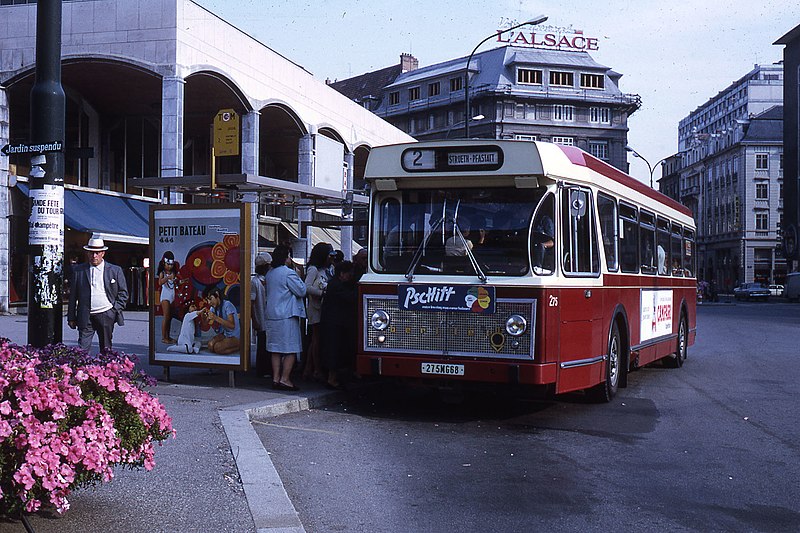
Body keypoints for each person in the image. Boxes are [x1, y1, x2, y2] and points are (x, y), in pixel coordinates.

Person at [67, 236, 129, 352]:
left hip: (106, 313)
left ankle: (107, 369)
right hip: (85, 315)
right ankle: (82, 369)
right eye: (91, 253)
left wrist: (114, 309)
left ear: (103, 253)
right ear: (87, 253)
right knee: (82, 350)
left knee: (106, 348)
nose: (94, 256)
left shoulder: (115, 270)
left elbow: (123, 293)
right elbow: (73, 296)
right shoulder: (79, 271)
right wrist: (71, 317)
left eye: (97, 253)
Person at [264, 245, 307, 391]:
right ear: (285, 257)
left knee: (275, 349)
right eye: (289, 256)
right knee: (290, 349)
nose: (290, 259)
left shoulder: (270, 273)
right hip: (286, 315)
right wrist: (300, 277)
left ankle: (275, 378)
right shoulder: (288, 273)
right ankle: (285, 378)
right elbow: (301, 291)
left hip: (271, 315)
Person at [320, 260, 358, 389]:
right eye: (349, 273)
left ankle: (335, 378)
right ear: (342, 273)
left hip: (335, 323)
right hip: (335, 324)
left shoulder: (335, 284)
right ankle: (332, 379)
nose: (351, 276)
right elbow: (350, 298)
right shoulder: (337, 286)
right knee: (334, 352)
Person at [302, 243, 333, 382]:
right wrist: (322, 293)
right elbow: (306, 287)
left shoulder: (326, 269)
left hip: (322, 307)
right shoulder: (313, 269)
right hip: (315, 307)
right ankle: (316, 369)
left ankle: (308, 368)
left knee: (316, 339)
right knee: (316, 338)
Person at [250, 251, 272, 377]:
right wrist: (255, 320)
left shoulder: (267, 280)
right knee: (262, 345)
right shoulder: (255, 282)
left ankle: (266, 368)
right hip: (261, 317)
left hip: (268, 317)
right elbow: (251, 303)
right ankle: (262, 369)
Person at [202, 287, 240, 355]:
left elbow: (232, 325)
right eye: (207, 300)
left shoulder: (227, 305)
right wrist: (204, 318)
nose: (209, 302)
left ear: (217, 295)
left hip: (235, 335)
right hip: (225, 334)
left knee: (218, 348)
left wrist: (216, 318)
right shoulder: (213, 307)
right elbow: (206, 324)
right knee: (210, 345)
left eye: (210, 299)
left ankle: (240, 345)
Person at [157, 251, 180, 344]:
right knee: (166, 316)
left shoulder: (173, 272)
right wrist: (167, 278)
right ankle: (163, 337)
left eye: (171, 265)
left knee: (169, 317)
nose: (169, 266)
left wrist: (177, 281)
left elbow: (174, 283)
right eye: (168, 264)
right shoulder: (162, 273)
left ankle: (168, 336)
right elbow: (160, 282)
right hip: (165, 296)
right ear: (164, 263)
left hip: (172, 295)